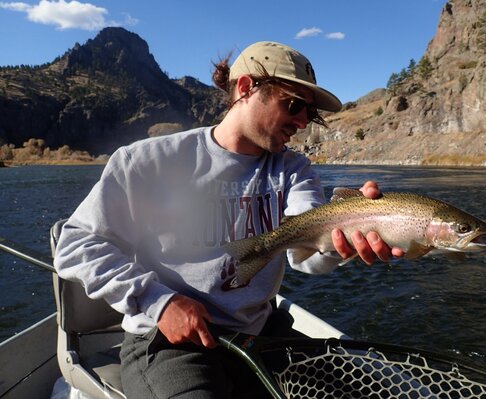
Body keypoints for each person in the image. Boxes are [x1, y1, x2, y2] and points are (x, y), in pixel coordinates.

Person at [54, 41, 404, 398]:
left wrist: (343, 237)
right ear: (245, 88)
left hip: (262, 335)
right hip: (169, 343)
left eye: (309, 114)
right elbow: (76, 244)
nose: (301, 122)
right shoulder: (147, 161)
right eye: (294, 105)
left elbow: (305, 254)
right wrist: (159, 301)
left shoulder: (293, 169)